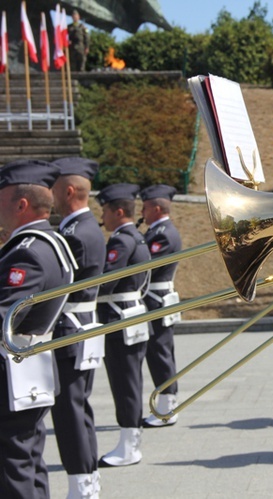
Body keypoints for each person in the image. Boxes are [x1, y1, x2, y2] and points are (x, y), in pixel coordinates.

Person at [0, 160, 76, 498]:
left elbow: (5, 315)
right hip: (28, 370)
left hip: (10, 375)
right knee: (29, 463)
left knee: (12, 471)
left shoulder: (27, 253)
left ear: (20, 205)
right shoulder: (50, 242)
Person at [50, 157, 107, 498]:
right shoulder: (82, 228)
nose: (50, 195)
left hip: (70, 329)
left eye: (54, 189)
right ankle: (87, 479)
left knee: (69, 409)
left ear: (68, 191)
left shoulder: (76, 233)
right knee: (77, 407)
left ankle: (82, 483)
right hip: (80, 326)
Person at [95, 183, 151, 467]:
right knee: (131, 382)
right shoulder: (137, 237)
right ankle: (130, 441)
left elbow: (105, 282)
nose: (101, 216)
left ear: (118, 211)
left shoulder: (121, 241)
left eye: (104, 210)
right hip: (132, 316)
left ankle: (129, 446)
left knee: (124, 383)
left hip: (119, 320)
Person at [138, 184, 183, 428]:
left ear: (156, 208)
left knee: (160, 353)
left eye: (145, 208)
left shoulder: (163, 233)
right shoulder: (157, 231)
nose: (142, 213)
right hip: (155, 298)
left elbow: (148, 266)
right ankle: (166, 404)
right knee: (158, 352)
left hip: (156, 299)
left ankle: (167, 407)